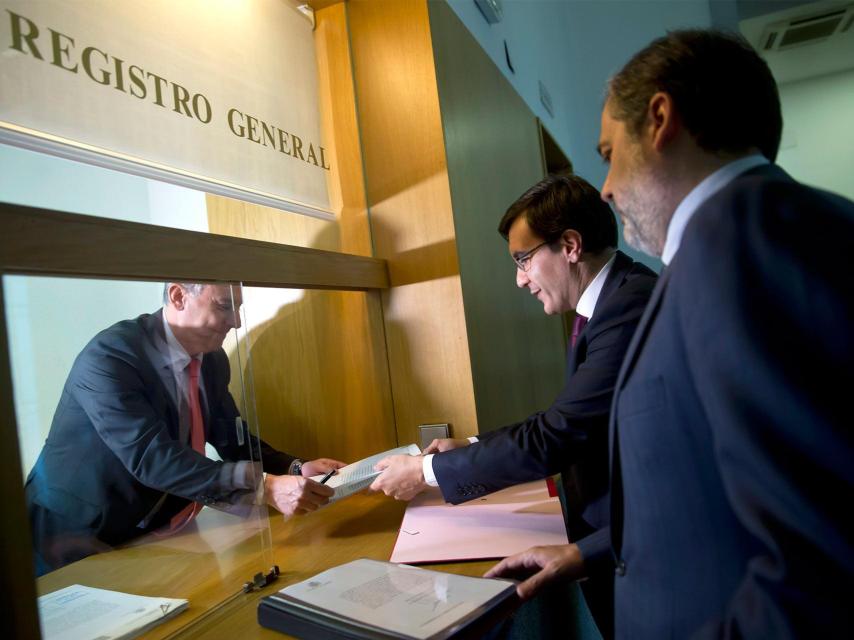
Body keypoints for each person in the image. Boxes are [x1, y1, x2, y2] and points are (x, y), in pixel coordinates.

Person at [486, 29, 854, 638]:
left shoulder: (745, 246)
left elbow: (817, 568)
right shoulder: (736, 244)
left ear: (660, 119)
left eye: (609, 153)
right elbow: (705, 492)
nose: (604, 187)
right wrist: (585, 552)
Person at [370, 173, 657, 638]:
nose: (520, 279)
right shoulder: (607, 303)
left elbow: (557, 434)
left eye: (523, 259)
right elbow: (565, 417)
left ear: (569, 245)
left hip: (637, 550)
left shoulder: (628, 307)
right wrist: (471, 444)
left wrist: (424, 474)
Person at [25, 282, 345, 575]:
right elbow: (153, 458)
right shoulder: (110, 357)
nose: (236, 321)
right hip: (74, 530)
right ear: (179, 296)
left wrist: (296, 468)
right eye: (224, 306)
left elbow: (232, 438)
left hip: (158, 528)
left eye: (238, 307)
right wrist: (264, 487)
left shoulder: (213, 359)